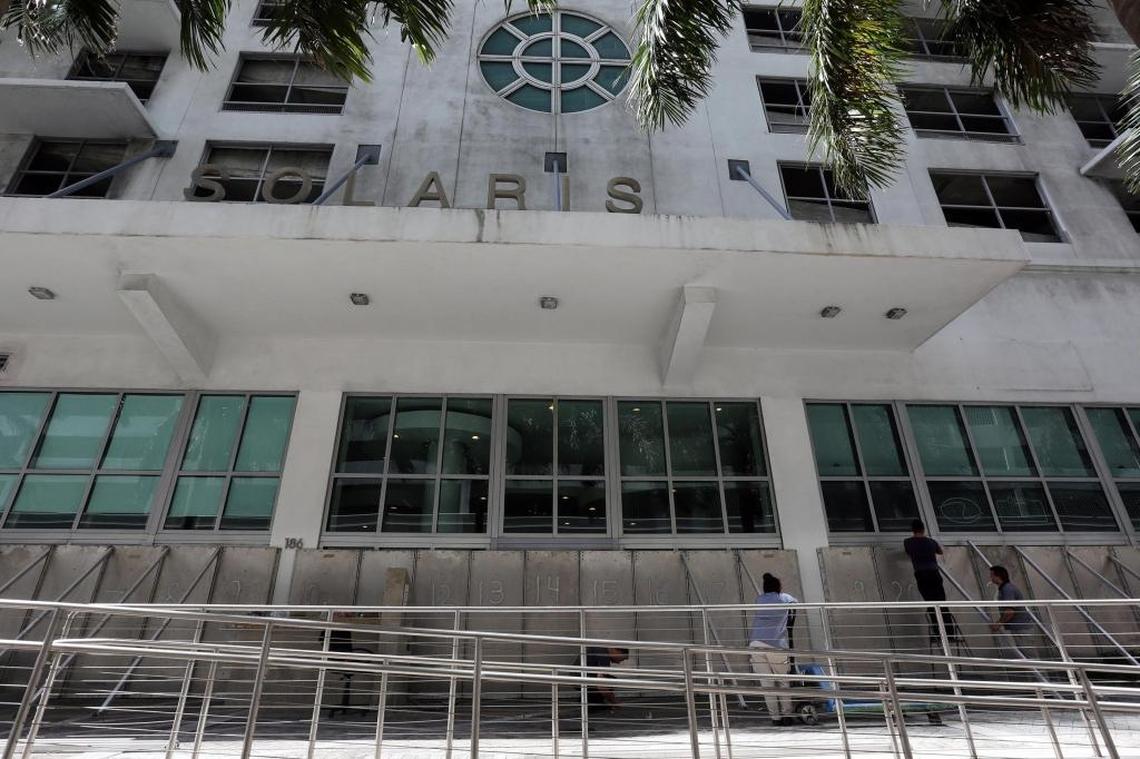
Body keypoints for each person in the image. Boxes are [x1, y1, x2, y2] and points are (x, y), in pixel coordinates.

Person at [749, 573, 798, 726]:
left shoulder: (759, 599)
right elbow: (796, 603)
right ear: (778, 587)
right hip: (776, 644)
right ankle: (787, 716)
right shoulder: (784, 598)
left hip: (756, 643)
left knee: (767, 684)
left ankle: (775, 718)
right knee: (783, 681)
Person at [903, 519, 959, 644]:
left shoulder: (908, 542)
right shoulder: (930, 542)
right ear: (923, 529)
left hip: (921, 574)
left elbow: (907, 552)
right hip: (934, 573)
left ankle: (938, 633)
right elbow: (940, 551)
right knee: (942, 602)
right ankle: (950, 633)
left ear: (912, 530)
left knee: (931, 603)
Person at [989, 565, 1032, 659]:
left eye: (992, 575)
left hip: (1021, 627)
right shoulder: (1005, 588)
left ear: (998, 576)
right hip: (1019, 626)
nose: (990, 578)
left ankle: (1040, 672)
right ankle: (1035, 672)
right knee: (1025, 653)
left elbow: (1009, 611)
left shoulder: (1007, 589)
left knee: (1028, 653)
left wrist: (998, 623)